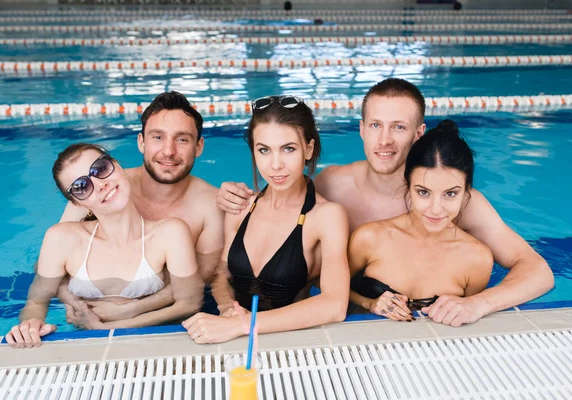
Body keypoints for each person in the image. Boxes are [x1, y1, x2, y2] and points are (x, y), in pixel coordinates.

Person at [216, 78, 554, 327]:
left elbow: (538, 271)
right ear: (361, 129)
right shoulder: (332, 185)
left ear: (419, 133)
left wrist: (479, 304)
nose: (384, 141)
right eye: (375, 125)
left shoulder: (459, 200)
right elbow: (279, 202)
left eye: (398, 128)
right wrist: (232, 195)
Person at [182, 95, 350, 344]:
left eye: (288, 149)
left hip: (290, 340)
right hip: (229, 331)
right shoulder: (241, 207)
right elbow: (222, 274)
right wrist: (228, 307)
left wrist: (242, 324)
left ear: (309, 149)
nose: (276, 165)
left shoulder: (326, 216)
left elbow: (334, 305)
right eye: (264, 150)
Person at [6, 144, 204, 348]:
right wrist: (30, 325)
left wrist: (110, 328)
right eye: (82, 186)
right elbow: (37, 302)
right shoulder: (61, 238)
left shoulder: (170, 232)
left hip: (154, 341)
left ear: (117, 166)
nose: (100, 184)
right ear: (77, 203)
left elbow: (189, 303)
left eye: (99, 169)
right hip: (85, 345)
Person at [58, 91, 224, 325]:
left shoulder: (210, 205)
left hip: (172, 319)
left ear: (198, 147)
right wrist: (76, 306)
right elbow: (52, 264)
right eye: (158, 137)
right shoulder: (101, 189)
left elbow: (202, 280)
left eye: (182, 139)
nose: (168, 151)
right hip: (94, 312)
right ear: (141, 142)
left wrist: (131, 310)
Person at [349, 120, 493, 323]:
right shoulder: (370, 237)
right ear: (408, 186)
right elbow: (326, 286)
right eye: (423, 192)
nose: (436, 209)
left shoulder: (477, 259)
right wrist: (369, 303)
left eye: (450, 194)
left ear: (466, 191)